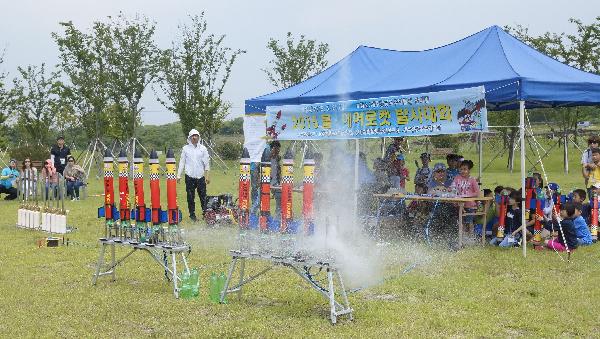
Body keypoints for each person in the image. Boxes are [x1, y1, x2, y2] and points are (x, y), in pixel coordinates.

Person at [177, 128, 210, 222]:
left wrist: (207, 176)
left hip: (200, 176)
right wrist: (178, 175)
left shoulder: (203, 148)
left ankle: (205, 213)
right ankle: (192, 215)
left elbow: (207, 163)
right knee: (190, 197)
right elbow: (182, 162)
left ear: (198, 137)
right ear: (190, 138)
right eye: (193, 136)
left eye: (196, 136)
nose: (194, 137)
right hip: (189, 176)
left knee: (203, 196)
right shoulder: (185, 149)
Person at [450, 160, 480, 234]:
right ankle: (462, 237)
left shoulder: (472, 180)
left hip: (470, 205)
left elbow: (477, 193)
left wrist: (467, 195)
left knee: (469, 222)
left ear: (469, 170)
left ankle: (471, 237)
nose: (462, 171)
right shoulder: (457, 178)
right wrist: (450, 189)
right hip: (459, 204)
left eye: (465, 169)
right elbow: (452, 186)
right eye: (461, 169)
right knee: (461, 222)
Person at [269, 141, 282, 216]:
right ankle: (254, 214)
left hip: (275, 182)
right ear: (272, 149)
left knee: (279, 195)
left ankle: (277, 216)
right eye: (276, 149)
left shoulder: (278, 158)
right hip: (266, 181)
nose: (278, 151)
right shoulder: (266, 157)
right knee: (259, 200)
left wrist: (279, 182)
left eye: (278, 150)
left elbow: (278, 172)